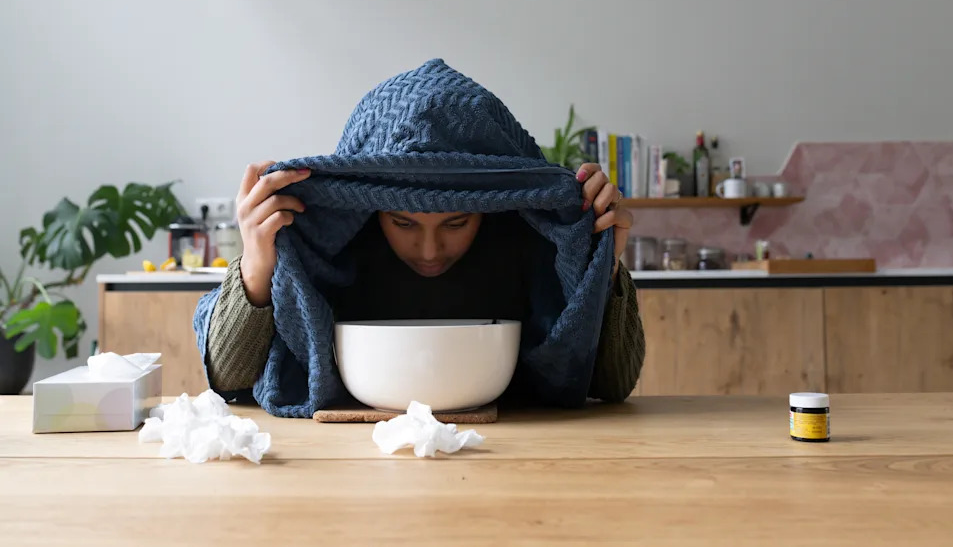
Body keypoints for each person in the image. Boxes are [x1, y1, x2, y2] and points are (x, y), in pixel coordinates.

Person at [205, 159, 645, 403]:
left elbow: (613, 385)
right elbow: (229, 379)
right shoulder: (329, 255)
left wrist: (598, 270)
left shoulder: (530, 247)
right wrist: (257, 265)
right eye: (403, 222)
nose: (430, 251)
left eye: (456, 223)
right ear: (371, 208)